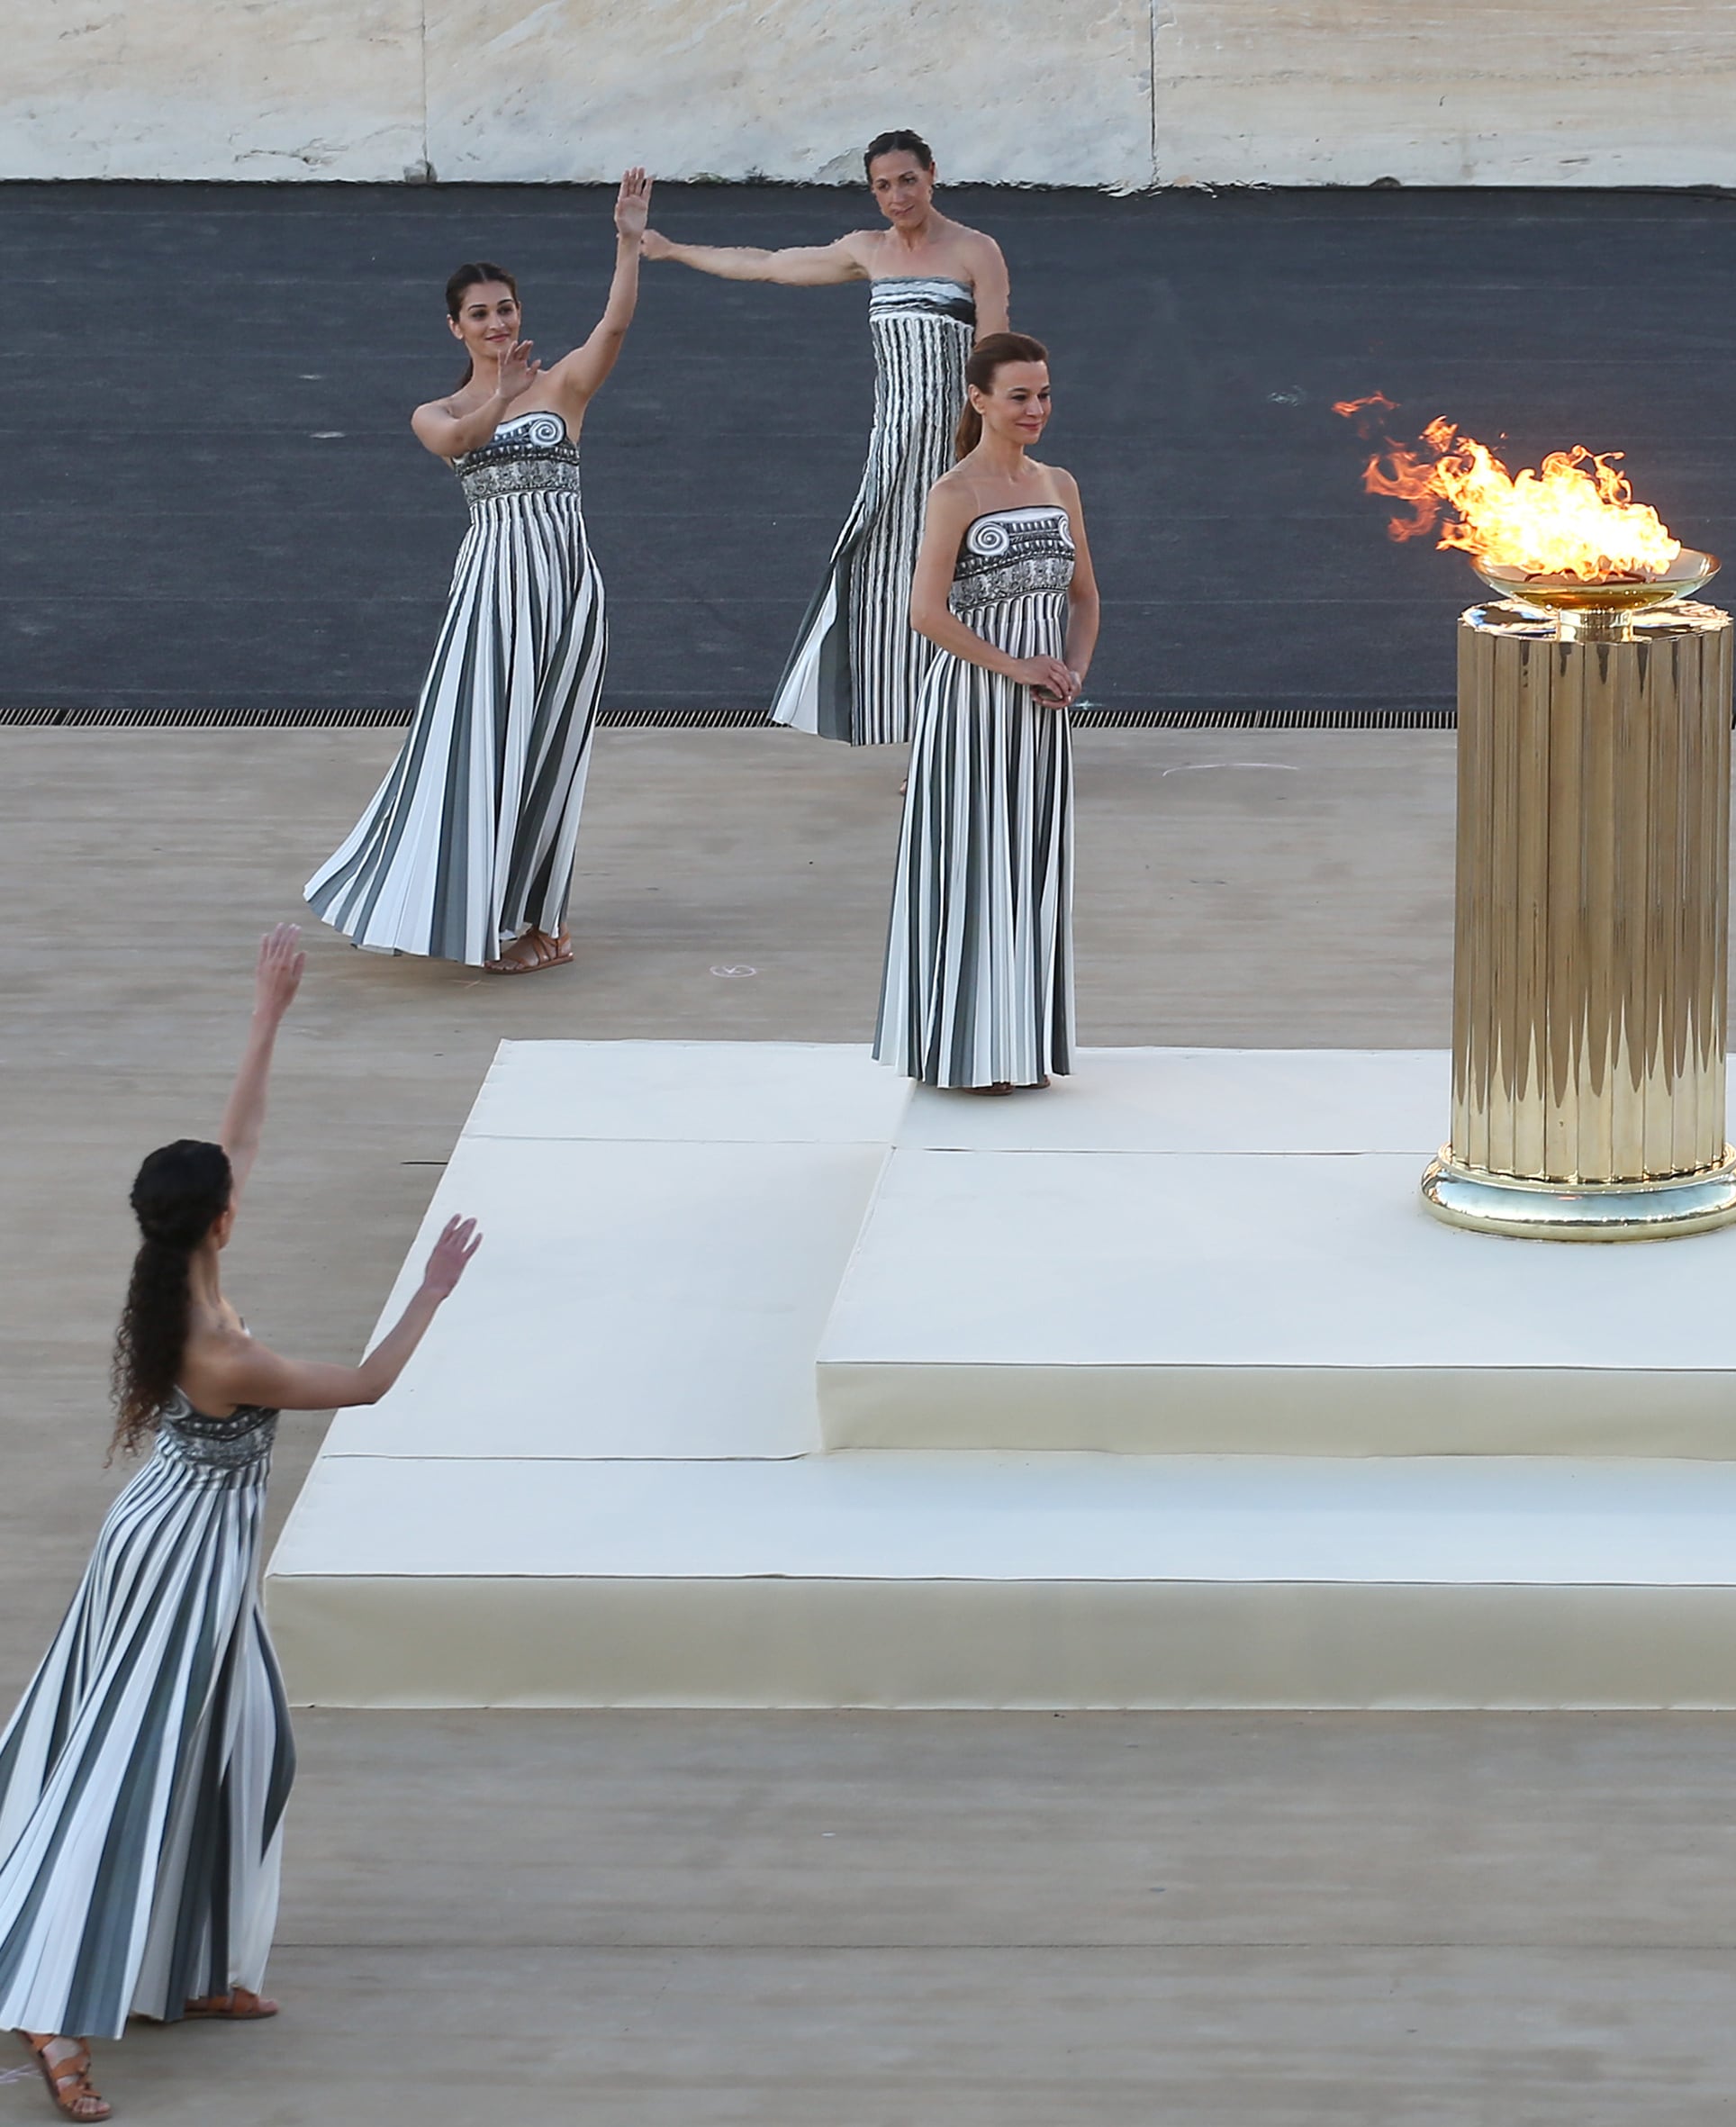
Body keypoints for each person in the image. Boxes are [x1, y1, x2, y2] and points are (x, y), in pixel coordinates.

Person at [1, 928, 481, 2122]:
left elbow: (238, 1141)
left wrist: (268, 1014)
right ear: (216, 1220)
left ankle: (188, 1960)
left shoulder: (175, 1270)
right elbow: (364, 1386)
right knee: (127, 1770)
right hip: (180, 1560)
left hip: (174, 1536)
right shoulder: (226, 1348)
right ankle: (58, 2015)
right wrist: (428, 1294)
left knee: (245, 1743)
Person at [306, 173, 648, 975]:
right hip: (493, 594)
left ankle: (541, 923)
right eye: (481, 313)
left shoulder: (562, 387)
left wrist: (629, 239)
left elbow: (617, 324)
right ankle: (467, 912)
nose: (497, 322)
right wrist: (499, 394)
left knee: (552, 751)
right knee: (475, 747)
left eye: (506, 308)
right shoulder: (442, 409)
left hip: (566, 590)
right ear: (456, 327)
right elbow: (456, 445)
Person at [641, 129, 1011, 747]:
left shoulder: (976, 252)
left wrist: (985, 452)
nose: (897, 196)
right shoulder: (866, 250)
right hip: (892, 457)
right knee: (886, 589)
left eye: (907, 181)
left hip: (957, 454)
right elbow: (765, 266)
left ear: (932, 175)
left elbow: (994, 357)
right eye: (883, 187)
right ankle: (924, 739)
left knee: (965, 588)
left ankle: (975, 738)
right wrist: (672, 250)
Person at [878, 332, 1098, 1092]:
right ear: (979, 400)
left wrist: (1071, 673)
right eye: (1019, 396)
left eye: (1043, 394)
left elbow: (1086, 597)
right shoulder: (954, 493)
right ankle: (965, 1050)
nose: (1035, 408)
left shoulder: (1059, 483)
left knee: (1029, 863)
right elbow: (925, 614)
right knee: (974, 862)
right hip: (969, 709)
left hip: (1040, 717)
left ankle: (1018, 1043)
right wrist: (1016, 667)